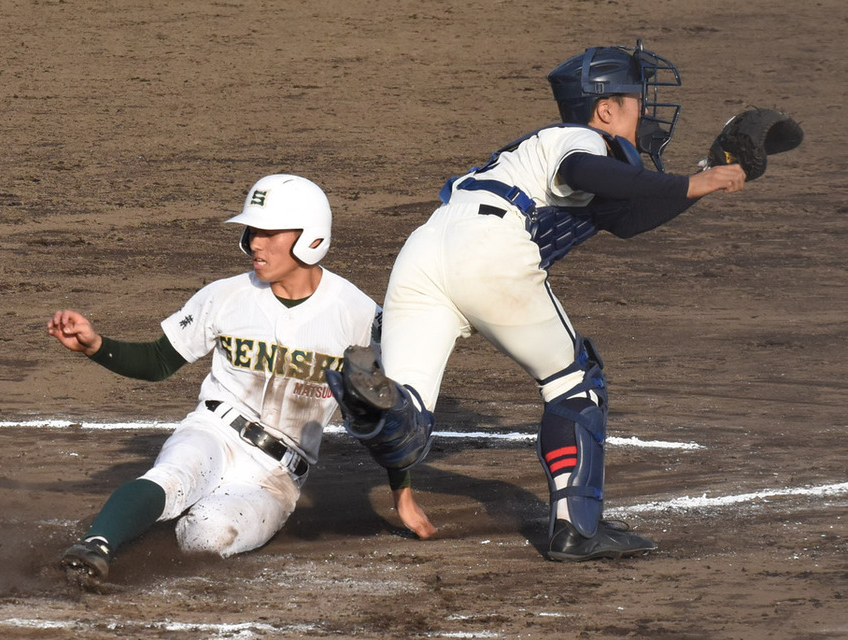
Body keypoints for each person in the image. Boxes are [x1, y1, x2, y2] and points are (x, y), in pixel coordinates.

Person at [326, 41, 747, 561]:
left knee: (409, 417)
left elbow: (631, 220)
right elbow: (586, 173)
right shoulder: (579, 140)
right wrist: (692, 179)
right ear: (606, 108)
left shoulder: (547, 157)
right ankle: (577, 531)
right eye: (637, 100)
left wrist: (705, 181)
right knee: (575, 384)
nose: (646, 113)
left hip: (423, 254)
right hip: (489, 250)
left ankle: (369, 405)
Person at [49, 174, 435, 586]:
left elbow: (386, 417)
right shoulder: (225, 295)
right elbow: (159, 361)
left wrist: (403, 495)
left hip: (276, 474)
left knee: (207, 535)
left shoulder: (356, 314)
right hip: (214, 430)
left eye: (269, 232)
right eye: (253, 231)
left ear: (312, 238)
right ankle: (97, 544)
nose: (254, 242)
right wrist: (96, 345)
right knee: (174, 474)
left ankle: (145, 520)